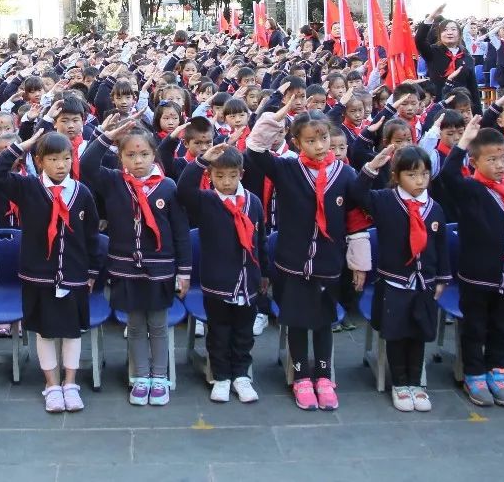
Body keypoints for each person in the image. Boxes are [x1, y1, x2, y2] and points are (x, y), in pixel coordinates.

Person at [246, 108, 360, 412]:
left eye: (323, 138)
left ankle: (323, 375)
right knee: (297, 321)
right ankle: (300, 376)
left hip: (328, 263)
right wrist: (275, 119)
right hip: (292, 262)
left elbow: (358, 214)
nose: (319, 146)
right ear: (296, 141)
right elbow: (255, 150)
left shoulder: (345, 173)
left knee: (323, 321)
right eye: (310, 140)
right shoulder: (287, 169)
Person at [0, 130, 101, 413]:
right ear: (39, 161)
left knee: (72, 332)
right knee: (44, 332)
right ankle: (51, 384)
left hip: (73, 274)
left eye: (66, 158)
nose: (60, 165)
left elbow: (91, 237)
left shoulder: (82, 193)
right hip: (37, 275)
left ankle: (70, 383)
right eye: (52, 159)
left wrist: (92, 270)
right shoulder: (28, 187)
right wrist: (18, 147)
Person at [83, 117, 191, 407]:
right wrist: (106, 137)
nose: (138, 160)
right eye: (130, 155)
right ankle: (140, 376)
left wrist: (184, 272)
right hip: (125, 268)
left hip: (160, 268)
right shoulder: (114, 181)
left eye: (144, 154)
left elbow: (180, 233)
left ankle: (160, 376)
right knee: (134, 324)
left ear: (154, 155)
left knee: (157, 324)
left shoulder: (167, 187)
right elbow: (86, 166)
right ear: (120, 158)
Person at [436, 118, 504, 407]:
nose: (500, 165)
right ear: (475, 161)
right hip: (478, 275)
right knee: (475, 326)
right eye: (491, 159)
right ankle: (474, 373)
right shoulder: (471, 191)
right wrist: (463, 142)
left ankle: (497, 371)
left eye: (503, 158)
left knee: (501, 327)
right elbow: (448, 176)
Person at [357, 144, 450, 411]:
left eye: (424, 174)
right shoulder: (385, 200)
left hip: (425, 283)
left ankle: (416, 383)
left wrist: (442, 278)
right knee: (397, 334)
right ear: (397, 176)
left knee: (418, 332)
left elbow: (441, 245)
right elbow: (357, 193)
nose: (419, 181)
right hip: (395, 282)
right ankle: (399, 383)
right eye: (411, 175)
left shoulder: (434, 208)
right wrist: (372, 167)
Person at [176, 146, 266, 404]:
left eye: (232, 175)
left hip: (248, 280)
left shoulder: (253, 202)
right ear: (210, 176)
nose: (226, 182)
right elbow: (184, 190)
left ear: (241, 174)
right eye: (219, 176)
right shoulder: (206, 201)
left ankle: (241, 375)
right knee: (218, 332)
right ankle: (221, 375)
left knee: (243, 332)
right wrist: (201, 160)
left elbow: (259, 239)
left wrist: (264, 272)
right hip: (217, 282)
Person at [416, 4, 481, 114]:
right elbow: (419, 40)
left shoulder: (466, 56)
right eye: (445, 30)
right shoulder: (433, 52)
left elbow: (473, 87)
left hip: (461, 106)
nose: (449, 32)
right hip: (439, 104)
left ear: (459, 34)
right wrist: (432, 16)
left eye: (453, 29)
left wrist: (478, 115)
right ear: (440, 34)